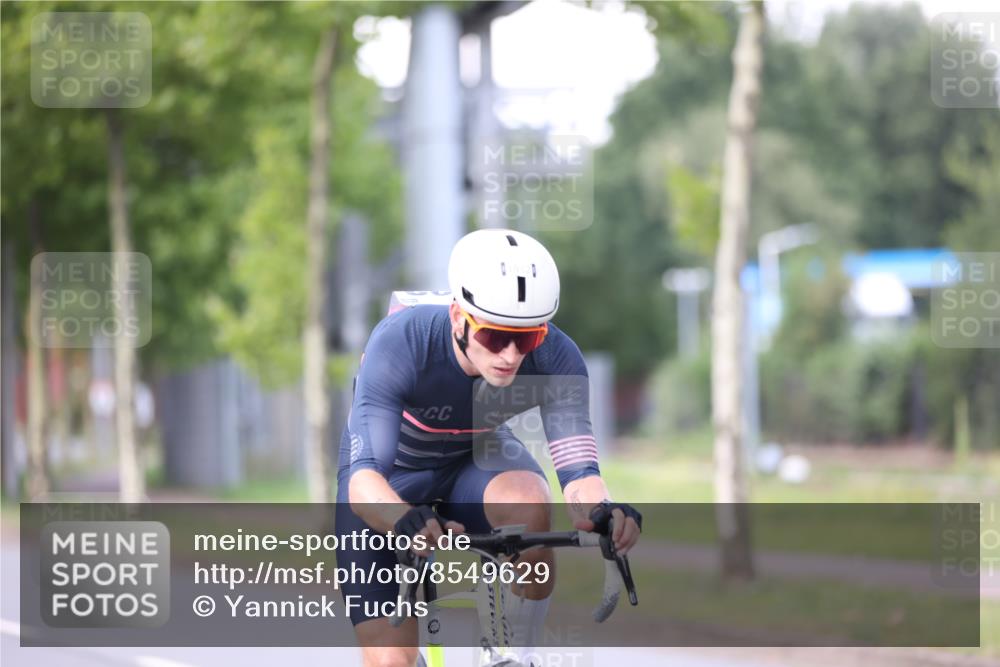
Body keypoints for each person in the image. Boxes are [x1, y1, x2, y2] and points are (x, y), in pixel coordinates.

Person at [336, 229, 642, 667]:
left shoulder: (557, 357)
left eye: (529, 337)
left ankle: (513, 656)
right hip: (389, 483)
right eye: (496, 337)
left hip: (471, 460)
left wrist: (604, 512)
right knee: (390, 662)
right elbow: (364, 481)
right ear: (459, 317)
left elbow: (579, 474)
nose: (513, 354)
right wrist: (402, 517)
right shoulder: (401, 343)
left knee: (529, 502)